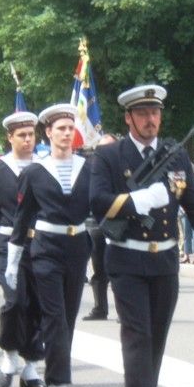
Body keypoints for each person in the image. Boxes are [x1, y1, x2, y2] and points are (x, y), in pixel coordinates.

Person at [90, 84, 194, 387]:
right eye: (143, 113)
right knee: (137, 332)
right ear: (128, 118)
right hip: (127, 257)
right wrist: (138, 200)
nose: (150, 119)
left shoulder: (176, 156)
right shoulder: (110, 156)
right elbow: (97, 201)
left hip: (165, 260)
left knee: (156, 334)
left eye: (155, 112)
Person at [5, 103, 91, 387]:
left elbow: (100, 207)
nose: (67, 134)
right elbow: (22, 217)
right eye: (61, 129)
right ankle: (57, 384)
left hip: (77, 247)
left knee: (68, 315)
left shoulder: (88, 168)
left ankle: (58, 374)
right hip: (46, 249)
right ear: (49, 133)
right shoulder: (34, 171)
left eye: (70, 128)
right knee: (54, 316)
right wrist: (13, 259)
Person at [0, 112, 45, 387]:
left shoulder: (43, 167)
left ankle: (31, 365)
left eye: (31, 134)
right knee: (15, 301)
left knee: (37, 303)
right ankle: (9, 356)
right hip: (6, 245)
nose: (28, 140)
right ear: (10, 137)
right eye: (21, 135)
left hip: (38, 244)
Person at [83, 133, 118, 320]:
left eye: (110, 146)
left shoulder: (124, 165)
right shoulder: (91, 167)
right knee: (98, 269)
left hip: (120, 223)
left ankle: (123, 311)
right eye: (102, 148)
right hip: (96, 224)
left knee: (120, 270)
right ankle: (100, 308)